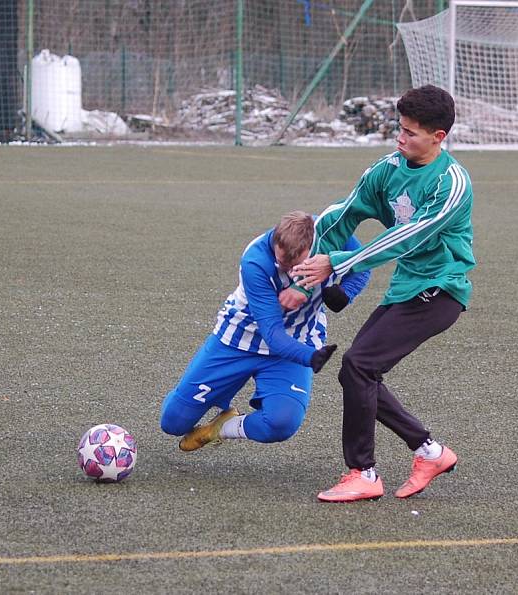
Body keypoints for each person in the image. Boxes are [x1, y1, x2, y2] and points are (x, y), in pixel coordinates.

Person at [289, 85, 475, 502]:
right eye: (399, 128)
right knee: (357, 371)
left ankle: (363, 473)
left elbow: (405, 238)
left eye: (410, 132)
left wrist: (338, 263)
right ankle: (429, 452)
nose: (400, 138)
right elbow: (345, 212)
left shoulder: (452, 184)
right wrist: (305, 263)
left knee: (358, 366)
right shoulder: (387, 170)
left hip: (442, 289)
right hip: (407, 287)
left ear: (438, 137)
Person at [160, 210, 370, 452]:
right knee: (173, 422)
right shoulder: (255, 261)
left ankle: (223, 427)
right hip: (240, 340)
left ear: (311, 246)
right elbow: (272, 334)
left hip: (297, 339)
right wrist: (309, 357)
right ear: (276, 239)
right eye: (282, 262)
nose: (289, 270)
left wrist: (345, 293)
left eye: (295, 264)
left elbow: (362, 265)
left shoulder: (334, 233)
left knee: (282, 423)